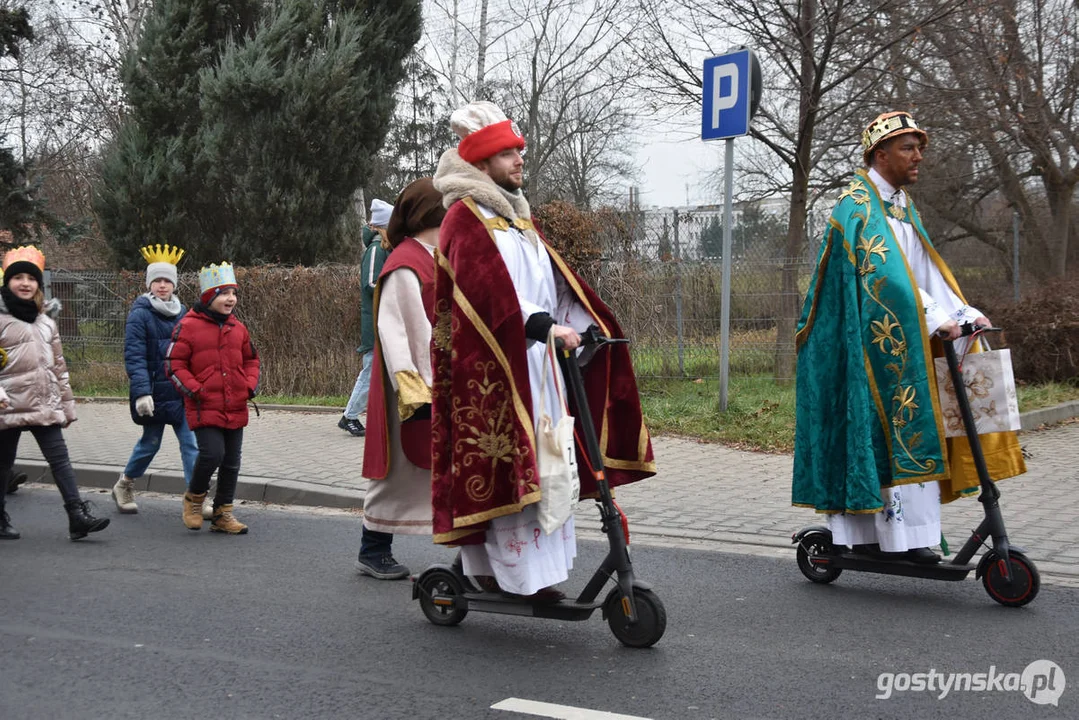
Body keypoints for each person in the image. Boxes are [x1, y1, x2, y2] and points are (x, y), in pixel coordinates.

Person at [430, 101, 655, 600]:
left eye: (519, 151)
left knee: (547, 464)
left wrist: (580, 323)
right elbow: (482, 294)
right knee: (504, 468)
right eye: (507, 153)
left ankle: (534, 575)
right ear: (481, 162)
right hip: (496, 367)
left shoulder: (518, 217)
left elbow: (554, 286)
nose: (518, 160)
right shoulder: (464, 218)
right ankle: (499, 574)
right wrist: (541, 326)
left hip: (540, 367)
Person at [791, 111, 1026, 563]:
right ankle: (875, 538)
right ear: (880, 155)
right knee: (881, 430)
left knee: (913, 428)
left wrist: (961, 312)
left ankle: (909, 537)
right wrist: (934, 316)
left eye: (920, 147)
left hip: (907, 338)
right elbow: (884, 278)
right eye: (908, 148)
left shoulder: (901, 205)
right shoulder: (856, 205)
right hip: (866, 349)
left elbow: (923, 271)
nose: (919, 156)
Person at [355, 179, 446, 580]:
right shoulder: (406, 262)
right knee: (397, 471)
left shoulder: (438, 256)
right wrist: (415, 387)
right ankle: (372, 549)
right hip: (409, 389)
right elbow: (396, 329)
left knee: (439, 470)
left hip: (439, 382)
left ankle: (469, 552)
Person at [0, 246, 110, 541]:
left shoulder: (46, 321)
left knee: (60, 459)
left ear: (39, 284)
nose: (25, 283)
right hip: (7, 405)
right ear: (7, 283)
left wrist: (68, 406)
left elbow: (59, 368)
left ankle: (77, 516)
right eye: (18, 277)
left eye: (31, 278)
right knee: (3, 463)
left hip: (44, 405)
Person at [166, 262, 260, 534]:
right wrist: (195, 389)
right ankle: (194, 500)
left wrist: (249, 385)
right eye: (223, 293)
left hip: (235, 403)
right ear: (209, 297)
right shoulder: (188, 326)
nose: (230, 298)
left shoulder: (238, 329)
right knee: (212, 453)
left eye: (233, 292)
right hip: (203, 404)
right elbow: (174, 364)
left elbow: (252, 360)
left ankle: (222, 513)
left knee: (231, 461)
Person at [112, 244, 200, 515]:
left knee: (191, 444)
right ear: (150, 283)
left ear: (174, 284)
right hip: (152, 393)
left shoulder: (184, 313)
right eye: (157, 280)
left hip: (181, 391)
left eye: (167, 281)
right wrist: (141, 393)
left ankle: (196, 499)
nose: (163, 286)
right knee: (150, 444)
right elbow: (134, 355)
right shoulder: (140, 314)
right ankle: (125, 484)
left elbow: (192, 352)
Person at [338, 199, 394, 437]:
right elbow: (371, 282)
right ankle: (350, 416)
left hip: (385, 321)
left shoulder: (385, 247)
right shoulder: (376, 248)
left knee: (386, 372)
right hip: (376, 323)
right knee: (371, 371)